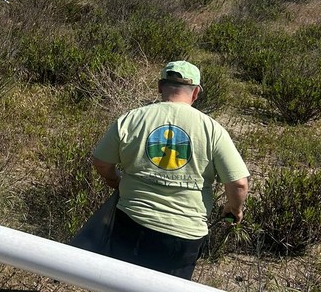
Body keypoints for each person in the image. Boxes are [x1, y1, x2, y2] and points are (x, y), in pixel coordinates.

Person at [92, 61, 249, 281]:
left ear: (159, 86)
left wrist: (115, 181)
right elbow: (239, 184)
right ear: (195, 92)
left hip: (131, 222)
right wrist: (235, 209)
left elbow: (101, 162)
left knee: (121, 284)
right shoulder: (213, 129)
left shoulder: (131, 118)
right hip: (185, 235)